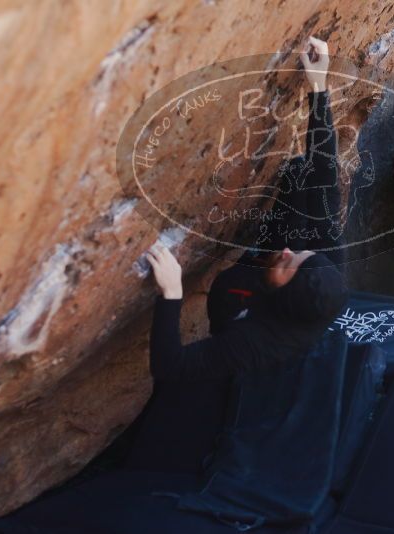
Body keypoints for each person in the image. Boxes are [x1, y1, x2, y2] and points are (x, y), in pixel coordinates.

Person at [146, 35, 349, 381]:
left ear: (281, 295)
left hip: (239, 304)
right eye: (300, 255)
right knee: (303, 172)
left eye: (291, 265)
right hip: (258, 268)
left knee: (231, 290)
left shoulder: (257, 344)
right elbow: (324, 172)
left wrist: (172, 293)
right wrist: (318, 84)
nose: (289, 252)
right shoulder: (324, 262)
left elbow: (170, 368)